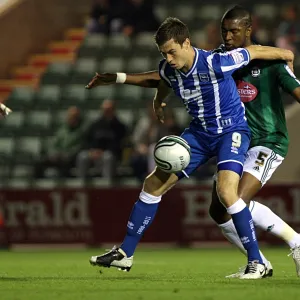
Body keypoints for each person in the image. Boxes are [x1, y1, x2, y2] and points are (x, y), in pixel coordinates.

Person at [86, 6, 300, 278]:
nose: (169, 58)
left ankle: (257, 261)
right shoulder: (169, 66)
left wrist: (286, 54)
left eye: (173, 51)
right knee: (153, 182)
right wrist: (143, 91)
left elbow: (254, 52)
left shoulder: (214, 62)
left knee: (227, 193)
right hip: (199, 134)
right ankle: (125, 253)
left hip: (231, 131)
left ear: (187, 43)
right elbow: (161, 78)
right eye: (164, 53)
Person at [76, 99, 127, 181]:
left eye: (108, 110)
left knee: (108, 157)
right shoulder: (95, 124)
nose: (105, 112)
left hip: (110, 154)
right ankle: (81, 185)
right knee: (82, 156)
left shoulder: (120, 126)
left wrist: (102, 152)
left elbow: (119, 143)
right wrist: (92, 150)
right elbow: (87, 140)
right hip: (94, 153)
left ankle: (106, 184)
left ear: (113, 110)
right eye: (104, 109)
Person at [34, 106, 87, 178]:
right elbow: (54, 144)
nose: (71, 118)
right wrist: (54, 153)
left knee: (65, 163)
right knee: (39, 162)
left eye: (74, 117)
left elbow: (80, 146)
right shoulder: (62, 129)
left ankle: (63, 185)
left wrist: (66, 154)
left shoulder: (82, 130)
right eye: (70, 116)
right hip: (58, 156)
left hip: (70, 158)